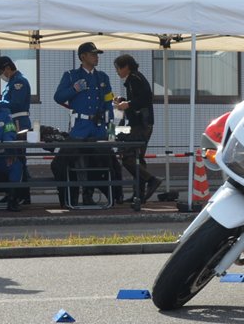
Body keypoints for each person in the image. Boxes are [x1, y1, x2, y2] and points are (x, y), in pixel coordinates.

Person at [51, 42, 120, 207]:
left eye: (97, 54)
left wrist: (111, 131)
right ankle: (70, 197)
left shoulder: (102, 77)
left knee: (103, 160)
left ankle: (94, 194)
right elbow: (58, 97)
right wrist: (74, 89)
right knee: (62, 162)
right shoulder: (71, 75)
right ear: (83, 57)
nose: (96, 57)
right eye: (93, 54)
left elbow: (108, 104)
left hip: (97, 128)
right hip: (80, 127)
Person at [112, 54, 163, 203]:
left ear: (126, 66)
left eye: (118, 68)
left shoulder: (135, 78)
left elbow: (145, 97)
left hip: (141, 124)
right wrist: (124, 101)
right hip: (141, 124)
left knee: (127, 157)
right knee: (137, 158)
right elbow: (138, 99)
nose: (117, 72)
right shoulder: (134, 79)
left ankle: (151, 180)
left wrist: (128, 104)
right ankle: (138, 195)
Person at [0, 55, 32, 204]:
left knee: (18, 158)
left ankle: (21, 193)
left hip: (19, 123)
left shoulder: (19, 82)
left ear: (8, 68)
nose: (0, 75)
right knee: (12, 157)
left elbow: (15, 104)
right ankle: (14, 191)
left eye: (0, 72)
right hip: (12, 122)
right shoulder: (11, 82)